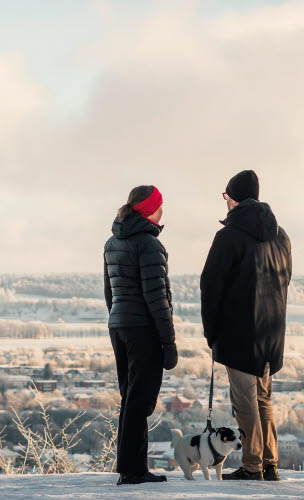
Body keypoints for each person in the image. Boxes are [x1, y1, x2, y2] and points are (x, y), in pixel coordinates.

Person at [200, 170, 292, 481]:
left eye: (225, 196)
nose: (224, 201)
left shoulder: (229, 236)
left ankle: (252, 466)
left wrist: (211, 331)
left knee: (244, 401)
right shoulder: (280, 236)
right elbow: (285, 282)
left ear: (232, 198)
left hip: (238, 332)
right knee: (263, 398)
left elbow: (211, 286)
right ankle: (270, 463)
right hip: (271, 332)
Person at [104, 185, 178, 485]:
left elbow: (110, 292)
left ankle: (129, 467)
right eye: (160, 206)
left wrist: (118, 318)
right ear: (151, 210)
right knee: (140, 401)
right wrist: (168, 341)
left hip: (119, 325)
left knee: (130, 398)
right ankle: (133, 471)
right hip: (143, 330)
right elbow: (156, 298)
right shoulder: (148, 244)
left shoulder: (112, 241)